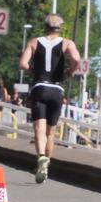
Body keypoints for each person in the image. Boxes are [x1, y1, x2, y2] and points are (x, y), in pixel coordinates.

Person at [18, 14, 81, 183]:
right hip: (57, 90)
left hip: (39, 87)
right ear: (60, 28)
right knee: (51, 133)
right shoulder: (67, 43)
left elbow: (22, 64)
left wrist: (34, 71)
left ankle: (41, 159)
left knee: (39, 128)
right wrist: (70, 72)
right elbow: (76, 59)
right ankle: (47, 164)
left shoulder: (34, 42)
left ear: (45, 27)